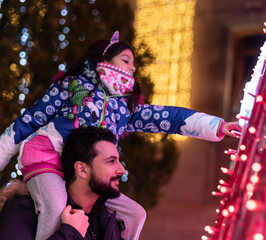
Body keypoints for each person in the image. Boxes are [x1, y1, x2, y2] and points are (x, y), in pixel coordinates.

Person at [0, 31, 241, 240]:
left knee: (135, 214)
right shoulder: (71, 86)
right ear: (102, 60)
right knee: (53, 207)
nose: (132, 67)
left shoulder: (124, 109)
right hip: (48, 158)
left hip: (87, 175)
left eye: (132, 63)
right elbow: (30, 120)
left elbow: (165, 117)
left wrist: (215, 126)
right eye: (125, 60)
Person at [0, 127, 127, 239]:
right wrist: (70, 233)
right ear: (82, 169)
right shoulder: (23, 211)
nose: (122, 170)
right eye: (111, 161)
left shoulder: (110, 224)